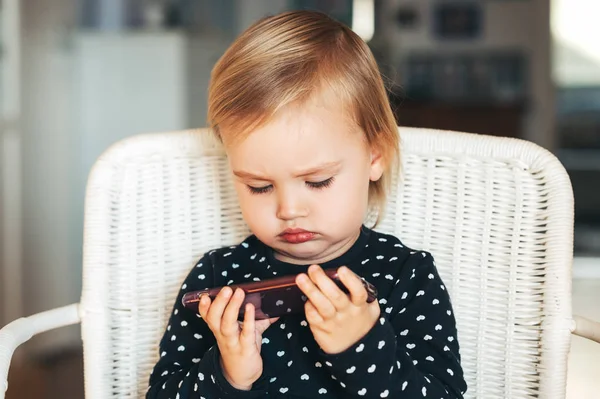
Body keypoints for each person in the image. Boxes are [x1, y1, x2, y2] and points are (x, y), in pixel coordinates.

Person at [147, 10, 467, 399]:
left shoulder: (405, 276)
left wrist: (362, 347)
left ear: (374, 156)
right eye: (260, 187)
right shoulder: (219, 278)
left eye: (317, 181)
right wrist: (227, 374)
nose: (288, 209)